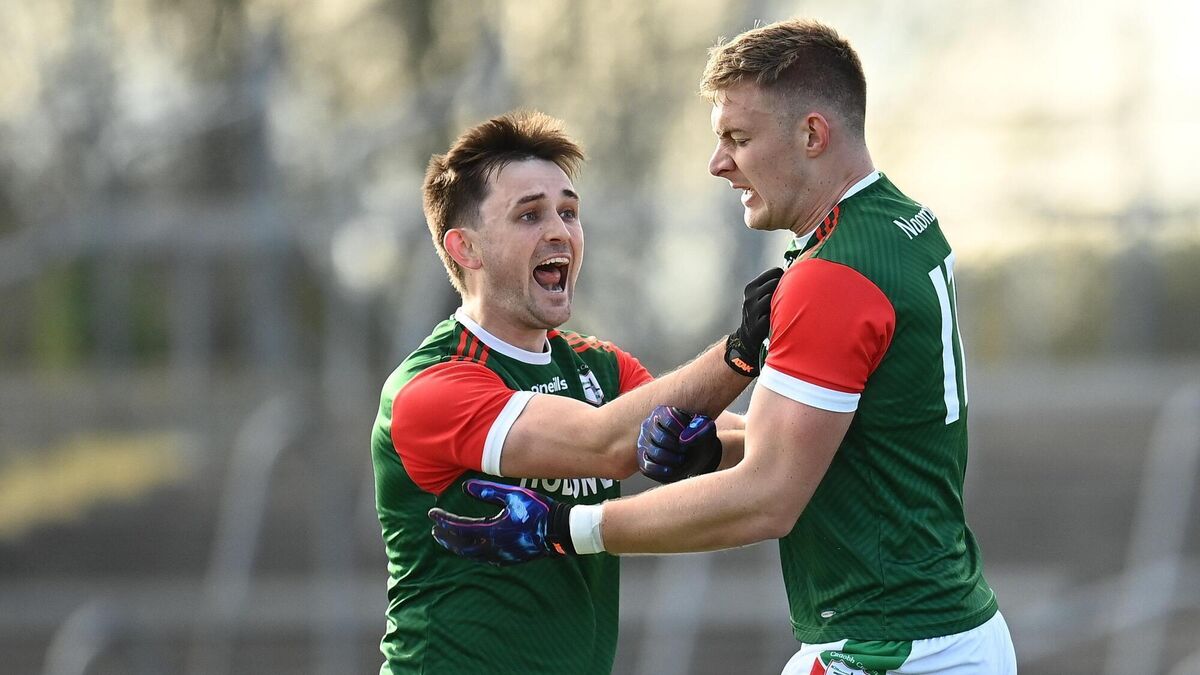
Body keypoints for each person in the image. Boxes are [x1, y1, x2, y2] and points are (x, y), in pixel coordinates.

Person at [429, 20, 1018, 675]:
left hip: (889, 646)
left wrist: (566, 528)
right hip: (951, 629)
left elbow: (766, 497)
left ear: (812, 135)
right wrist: (714, 447)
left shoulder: (832, 274)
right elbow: (845, 431)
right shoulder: (904, 223)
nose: (718, 163)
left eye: (738, 138)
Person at [371, 109, 781, 673]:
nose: (560, 232)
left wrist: (715, 445)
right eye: (529, 215)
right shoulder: (431, 386)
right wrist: (740, 352)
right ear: (466, 248)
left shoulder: (598, 366)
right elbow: (604, 443)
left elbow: (745, 437)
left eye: (568, 212)